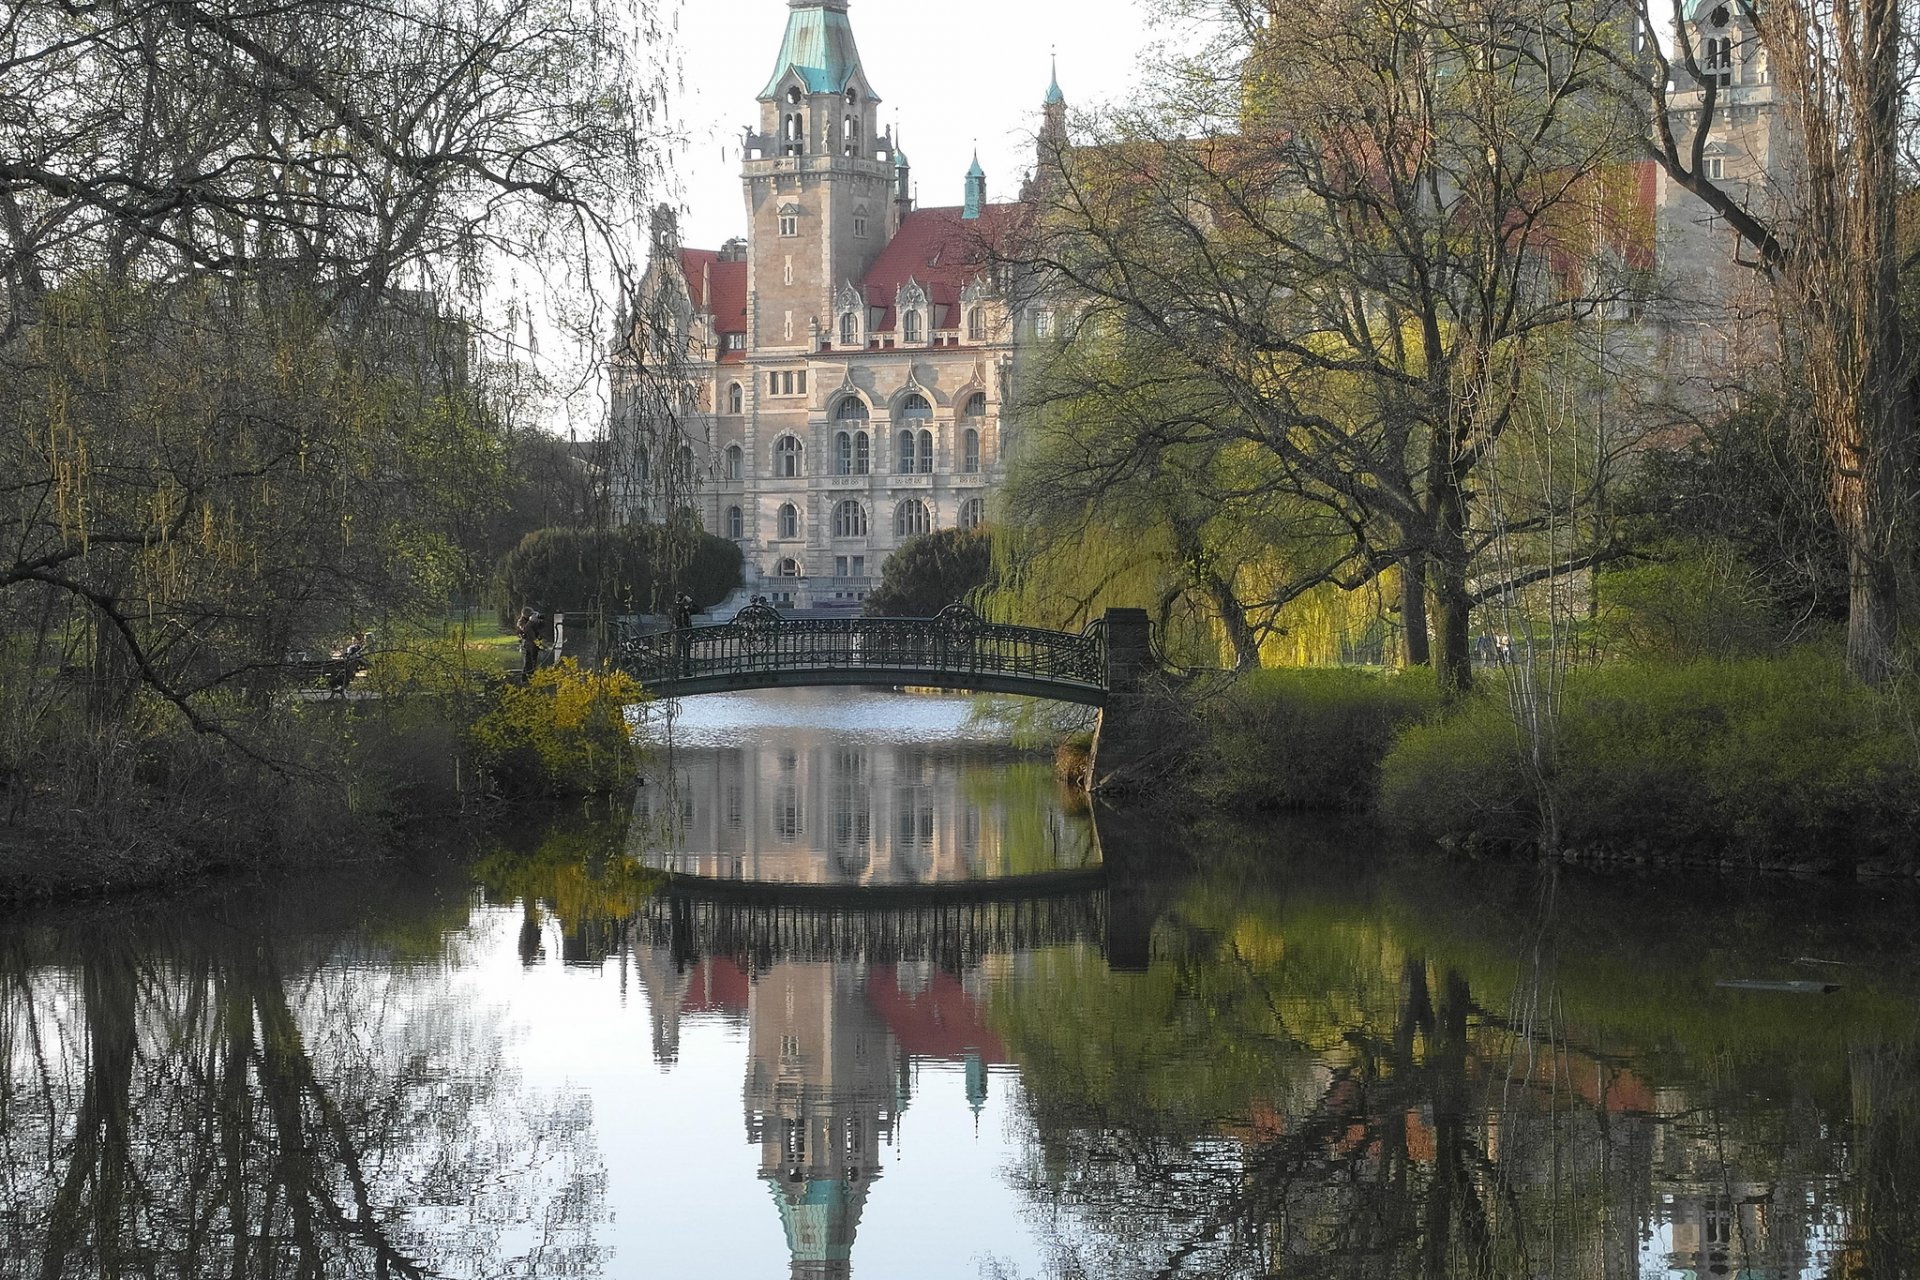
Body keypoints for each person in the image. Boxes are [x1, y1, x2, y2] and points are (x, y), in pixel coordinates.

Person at [515, 608, 543, 679]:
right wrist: (531, 621)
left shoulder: (532, 621)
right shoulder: (521, 622)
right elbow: (526, 629)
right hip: (527, 643)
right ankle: (525, 678)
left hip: (534, 643)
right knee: (528, 662)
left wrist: (537, 620)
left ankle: (531, 677)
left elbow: (539, 628)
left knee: (533, 661)